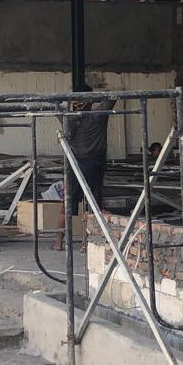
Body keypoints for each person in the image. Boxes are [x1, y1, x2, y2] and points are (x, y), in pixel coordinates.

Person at [53, 84, 115, 251]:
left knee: (68, 203)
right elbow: (112, 96)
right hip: (93, 164)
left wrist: (70, 101)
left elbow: (56, 106)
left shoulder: (69, 118)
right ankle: (86, 243)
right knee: (92, 205)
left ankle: (59, 241)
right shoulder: (97, 114)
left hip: (74, 164)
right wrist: (91, 98)